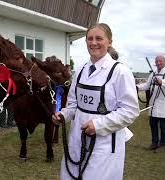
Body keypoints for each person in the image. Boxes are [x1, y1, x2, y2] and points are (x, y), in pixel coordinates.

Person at [52, 23, 139, 180]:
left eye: (99, 38)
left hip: (104, 145)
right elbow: (74, 104)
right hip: (77, 139)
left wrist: (98, 125)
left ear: (109, 42)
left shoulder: (120, 72)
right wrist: (64, 115)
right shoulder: (80, 71)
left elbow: (130, 111)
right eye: (89, 39)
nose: (93, 43)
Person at [137, 55, 165, 151]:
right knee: (153, 125)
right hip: (153, 104)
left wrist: (162, 81)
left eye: (160, 61)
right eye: (157, 61)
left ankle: (162, 145)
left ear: (164, 61)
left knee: (163, 126)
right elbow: (147, 85)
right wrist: (137, 87)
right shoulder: (153, 73)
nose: (158, 63)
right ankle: (154, 143)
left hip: (164, 104)